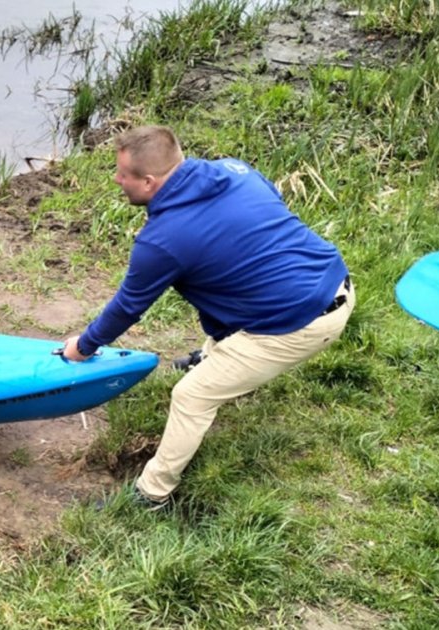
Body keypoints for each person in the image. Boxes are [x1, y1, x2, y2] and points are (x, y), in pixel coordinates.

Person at [60, 125, 354, 509]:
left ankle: (152, 493)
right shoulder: (236, 170)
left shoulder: (163, 240)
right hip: (335, 278)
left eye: (123, 175)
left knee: (191, 395)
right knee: (235, 289)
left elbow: (128, 307)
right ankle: (212, 357)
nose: (117, 180)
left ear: (149, 182)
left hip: (300, 323)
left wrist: (83, 347)